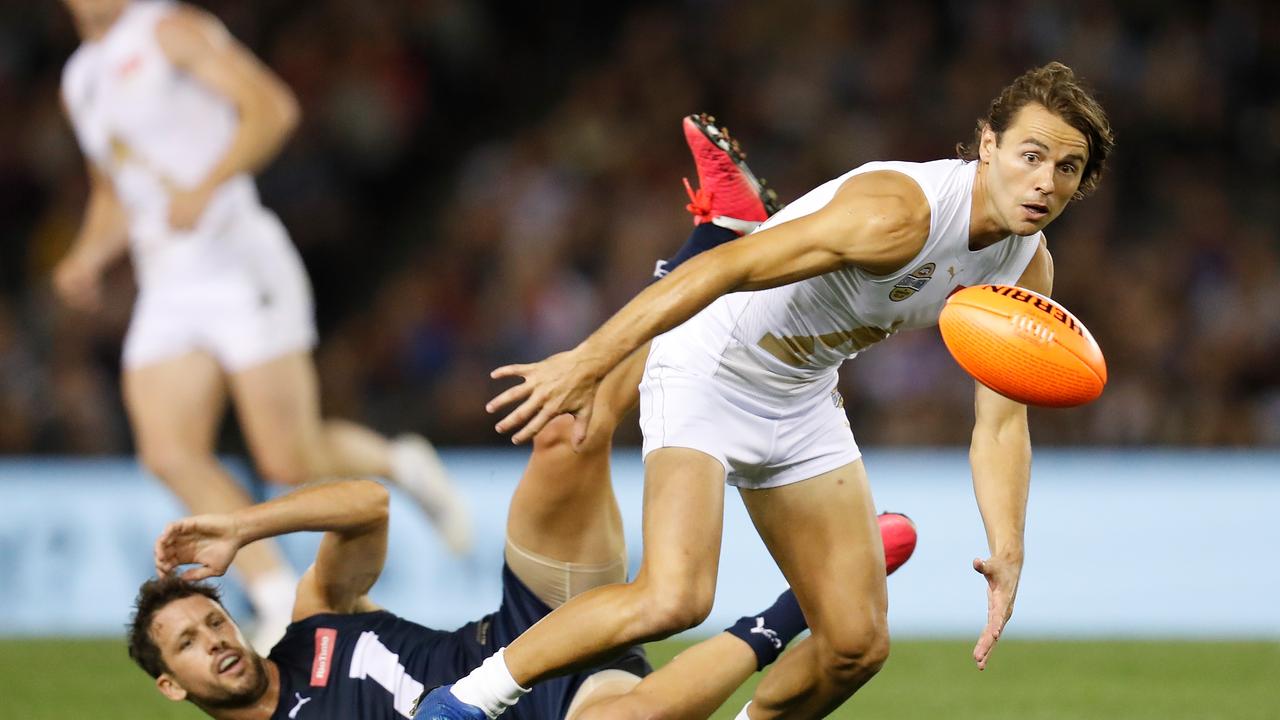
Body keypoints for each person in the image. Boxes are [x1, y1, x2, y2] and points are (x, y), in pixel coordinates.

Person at [426, 62, 1115, 720]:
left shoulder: (1026, 267)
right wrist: (588, 360)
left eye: (1067, 169)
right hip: (713, 362)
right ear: (988, 145)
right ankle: (464, 701)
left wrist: (1008, 547)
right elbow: (727, 270)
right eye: (1031, 155)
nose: (1045, 183)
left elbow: (999, 424)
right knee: (674, 599)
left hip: (804, 393)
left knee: (854, 646)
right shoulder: (897, 216)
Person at [53, 0, 471, 650]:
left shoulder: (169, 31)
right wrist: (86, 254)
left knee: (288, 459)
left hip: (237, 260)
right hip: (167, 282)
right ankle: (275, 595)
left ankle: (398, 462)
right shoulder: (81, 77)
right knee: (168, 451)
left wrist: (207, 184)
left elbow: (271, 108)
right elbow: (114, 187)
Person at [131, 444, 917, 719]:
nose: (217, 645)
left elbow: (367, 505)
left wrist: (242, 525)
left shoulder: (312, 624)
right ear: (173, 685)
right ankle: (799, 603)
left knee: (566, 436)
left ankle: (713, 240)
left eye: (214, 623)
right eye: (190, 646)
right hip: (556, 710)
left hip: (527, 631)